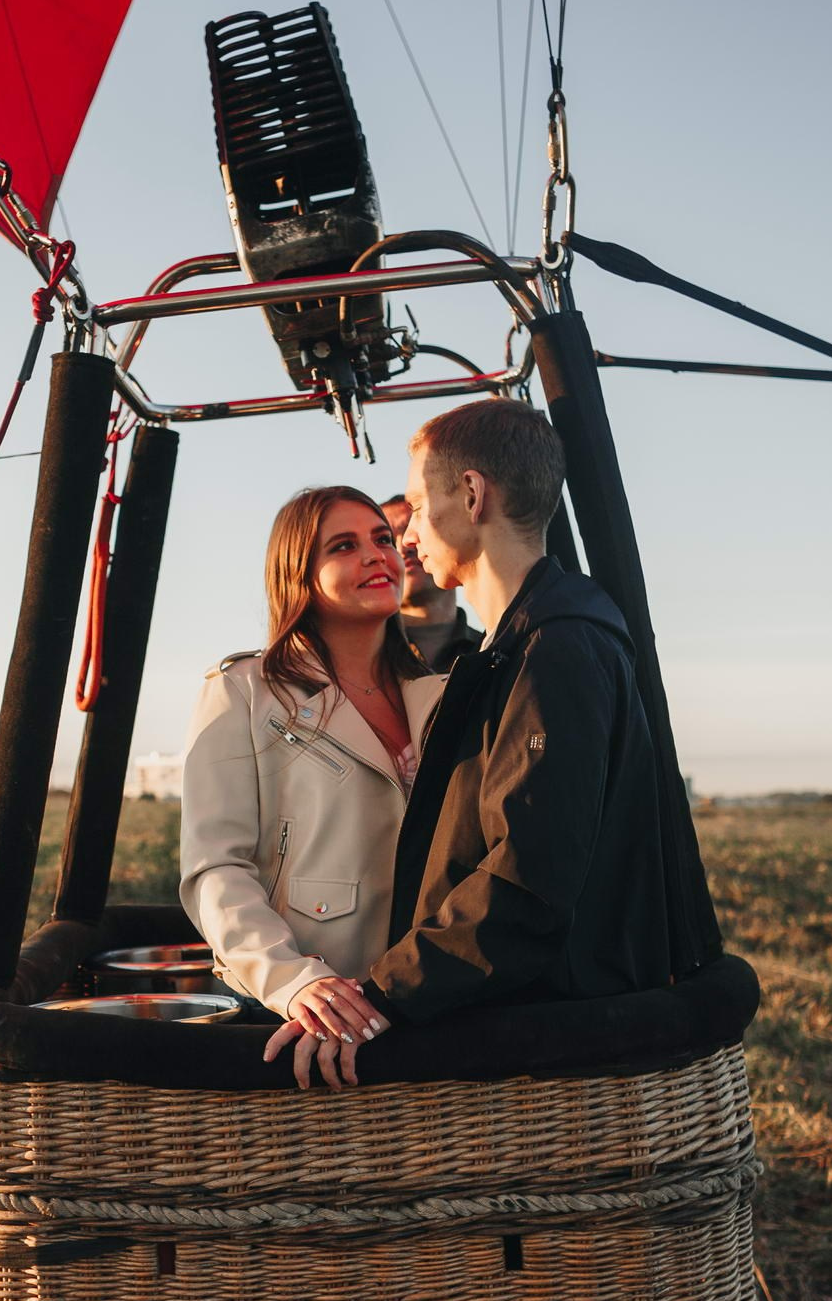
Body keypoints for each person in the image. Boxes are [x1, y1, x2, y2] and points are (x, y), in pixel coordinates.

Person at [267, 399, 686, 1086]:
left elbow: (528, 879)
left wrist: (383, 998)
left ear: (470, 494)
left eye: (417, 502)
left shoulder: (556, 649)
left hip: (547, 1053)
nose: (409, 536)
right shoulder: (523, 643)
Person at [180, 485, 445, 1085]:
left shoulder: (440, 695)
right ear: (299, 571)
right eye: (345, 546)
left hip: (416, 1001)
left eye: (383, 538)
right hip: (294, 1008)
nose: (378, 556)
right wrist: (297, 981)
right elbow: (214, 869)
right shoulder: (242, 692)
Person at [382, 492, 482, 673]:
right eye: (385, 540)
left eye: (412, 530)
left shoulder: (491, 651)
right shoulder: (361, 658)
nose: (402, 547)